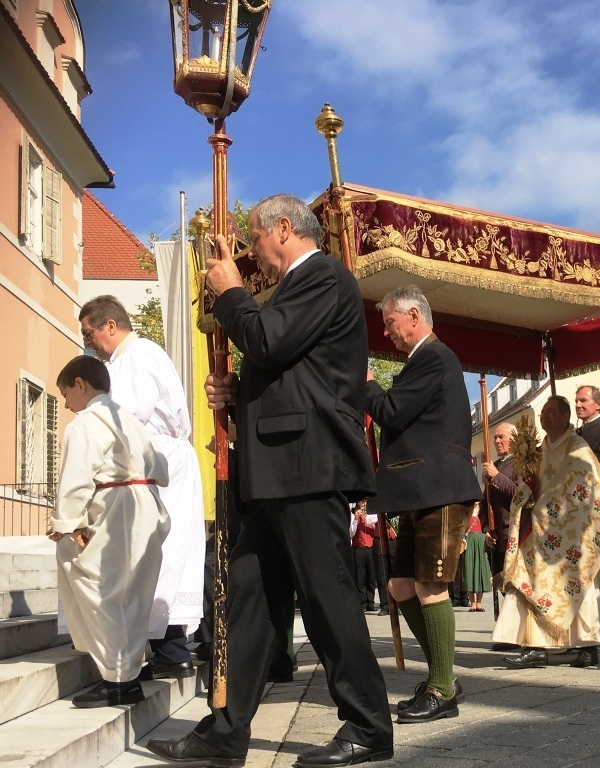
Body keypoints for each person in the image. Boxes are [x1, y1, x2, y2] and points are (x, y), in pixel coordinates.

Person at [147, 194, 392, 767]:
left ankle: (368, 726)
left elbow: (267, 341)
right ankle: (226, 729)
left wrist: (231, 291)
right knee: (249, 605)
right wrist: (237, 395)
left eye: (254, 237)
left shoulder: (322, 276)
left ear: (284, 228)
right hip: (276, 470)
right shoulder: (293, 289)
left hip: (308, 466)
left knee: (328, 599)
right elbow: (286, 371)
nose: (252, 251)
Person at [364, 284, 483, 724]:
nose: (387, 333)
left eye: (390, 323)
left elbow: (392, 411)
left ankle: (441, 688)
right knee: (400, 586)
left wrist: (367, 386)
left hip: (440, 487)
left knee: (431, 586)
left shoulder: (434, 357)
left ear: (413, 316)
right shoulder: (423, 361)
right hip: (419, 489)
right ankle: (444, 675)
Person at [79, 295, 204, 679]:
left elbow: (130, 414)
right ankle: (167, 649)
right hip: (156, 458)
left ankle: (168, 650)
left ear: (110, 325)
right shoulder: (128, 357)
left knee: (154, 554)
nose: (88, 343)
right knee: (158, 554)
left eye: (89, 334)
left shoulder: (137, 354)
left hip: (155, 460)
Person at [49, 356, 170, 708]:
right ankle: (132, 666)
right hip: (146, 505)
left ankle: (119, 682)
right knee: (130, 594)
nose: (66, 404)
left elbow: (76, 477)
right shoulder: (128, 419)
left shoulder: (86, 422)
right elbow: (160, 465)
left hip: (116, 510)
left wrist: (68, 523)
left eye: (65, 393)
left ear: (80, 384)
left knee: (99, 589)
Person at [493, 396, 600, 669]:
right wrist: (525, 496)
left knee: (578, 586)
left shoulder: (578, 447)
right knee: (530, 583)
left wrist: (548, 507)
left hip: (574, 532)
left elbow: (584, 488)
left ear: (565, 416)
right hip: (541, 532)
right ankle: (534, 646)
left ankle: (587, 644)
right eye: (543, 413)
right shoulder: (541, 450)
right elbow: (535, 483)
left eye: (551, 412)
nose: (545, 418)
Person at [481, 423, 522, 579]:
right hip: (496, 539)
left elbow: (519, 494)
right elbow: (486, 501)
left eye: (501, 437)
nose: (497, 441)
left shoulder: (520, 463)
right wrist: (486, 528)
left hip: (514, 535)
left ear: (513, 439)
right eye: (495, 438)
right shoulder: (495, 465)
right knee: (500, 582)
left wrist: (496, 476)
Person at [461, 504, 492, 611]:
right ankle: (472, 603)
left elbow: (488, 526)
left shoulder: (484, 510)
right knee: (469, 570)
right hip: (469, 540)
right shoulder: (466, 509)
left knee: (481, 570)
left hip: (481, 541)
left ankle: (479, 603)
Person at [352, 501, 379, 612]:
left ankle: (371, 602)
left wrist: (366, 515)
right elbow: (351, 533)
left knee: (371, 576)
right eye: (362, 502)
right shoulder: (353, 515)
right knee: (360, 576)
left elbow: (373, 522)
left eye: (365, 502)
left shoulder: (372, 515)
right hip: (359, 547)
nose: (364, 504)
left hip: (371, 547)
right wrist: (355, 519)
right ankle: (362, 602)